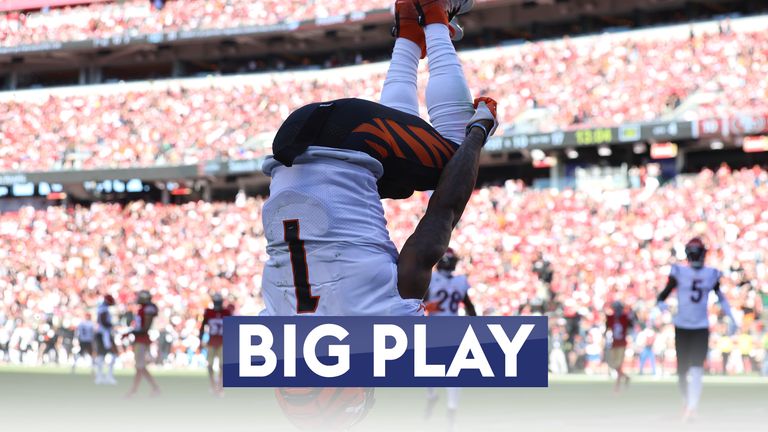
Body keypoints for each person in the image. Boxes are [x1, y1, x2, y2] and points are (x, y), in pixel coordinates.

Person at [260, 0, 496, 317]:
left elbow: (444, 212)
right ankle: (409, 32)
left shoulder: (386, 317)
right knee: (400, 182)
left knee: (453, 160)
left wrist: (479, 132)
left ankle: (436, 15)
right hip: (291, 143)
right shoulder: (276, 326)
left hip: (357, 133)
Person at [657, 237, 738, 421]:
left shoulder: (683, 272)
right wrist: (732, 317)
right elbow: (722, 298)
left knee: (693, 369)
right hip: (690, 326)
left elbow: (661, 297)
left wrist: (665, 309)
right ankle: (689, 403)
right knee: (686, 371)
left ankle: (691, 407)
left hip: (694, 326)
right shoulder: (708, 273)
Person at [423, 248, 476, 431]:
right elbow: (470, 307)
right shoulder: (458, 281)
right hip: (449, 328)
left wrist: (430, 305)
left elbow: (419, 304)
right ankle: (448, 406)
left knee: (433, 368)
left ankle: (445, 405)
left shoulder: (433, 278)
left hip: (438, 329)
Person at [125, 290, 161, 398]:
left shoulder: (148, 309)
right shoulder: (143, 309)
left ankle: (135, 390)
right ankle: (153, 388)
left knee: (140, 366)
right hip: (139, 339)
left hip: (142, 339)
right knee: (140, 367)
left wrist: (132, 331)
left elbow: (145, 327)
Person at [199, 293, 232, 395]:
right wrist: (200, 339)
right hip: (212, 341)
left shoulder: (226, 312)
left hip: (223, 341)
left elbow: (231, 328)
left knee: (222, 366)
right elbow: (203, 326)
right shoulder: (209, 312)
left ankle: (220, 386)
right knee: (209, 365)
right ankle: (213, 385)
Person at [605, 301, 632, 392]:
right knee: (613, 364)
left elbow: (631, 325)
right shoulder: (611, 318)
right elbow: (607, 328)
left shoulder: (625, 318)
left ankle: (617, 387)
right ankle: (626, 377)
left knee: (619, 365)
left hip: (621, 344)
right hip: (614, 344)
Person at [94, 294, 118, 385]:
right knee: (110, 354)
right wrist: (112, 326)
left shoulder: (102, 307)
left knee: (103, 355)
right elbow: (103, 322)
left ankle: (101, 376)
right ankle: (106, 376)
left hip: (103, 333)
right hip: (104, 334)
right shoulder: (103, 308)